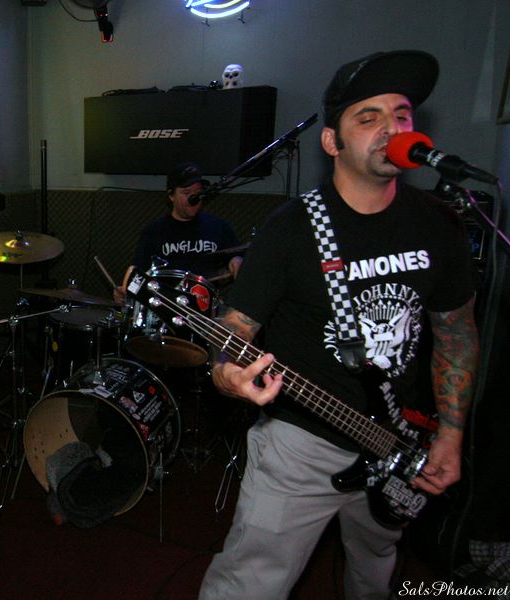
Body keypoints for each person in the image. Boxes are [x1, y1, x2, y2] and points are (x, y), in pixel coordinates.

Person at [199, 50, 479, 600]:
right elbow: (235, 324)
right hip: (302, 442)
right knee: (248, 586)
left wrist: (450, 434)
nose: (391, 128)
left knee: (374, 574)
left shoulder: (438, 223)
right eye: (368, 117)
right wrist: (226, 371)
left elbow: (456, 332)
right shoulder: (292, 228)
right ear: (332, 142)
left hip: (398, 437)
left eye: (401, 114)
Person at [113, 161, 242, 305]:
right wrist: (126, 291)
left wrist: (237, 263)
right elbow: (137, 270)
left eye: (198, 192)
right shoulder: (154, 231)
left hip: (206, 307)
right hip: (166, 307)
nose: (193, 198)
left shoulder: (219, 227)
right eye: (186, 192)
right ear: (171, 195)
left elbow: (236, 259)